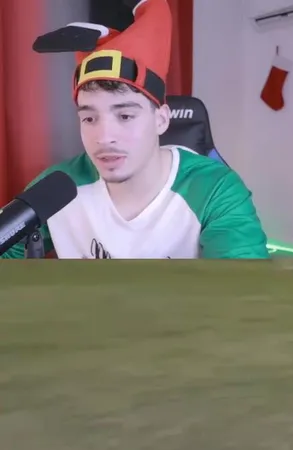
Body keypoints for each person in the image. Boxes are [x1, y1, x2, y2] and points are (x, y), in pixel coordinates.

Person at [1, 0, 268, 260]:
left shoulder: (215, 189)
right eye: (90, 119)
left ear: (161, 119)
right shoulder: (57, 188)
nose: (104, 138)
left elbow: (243, 282)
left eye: (125, 116)